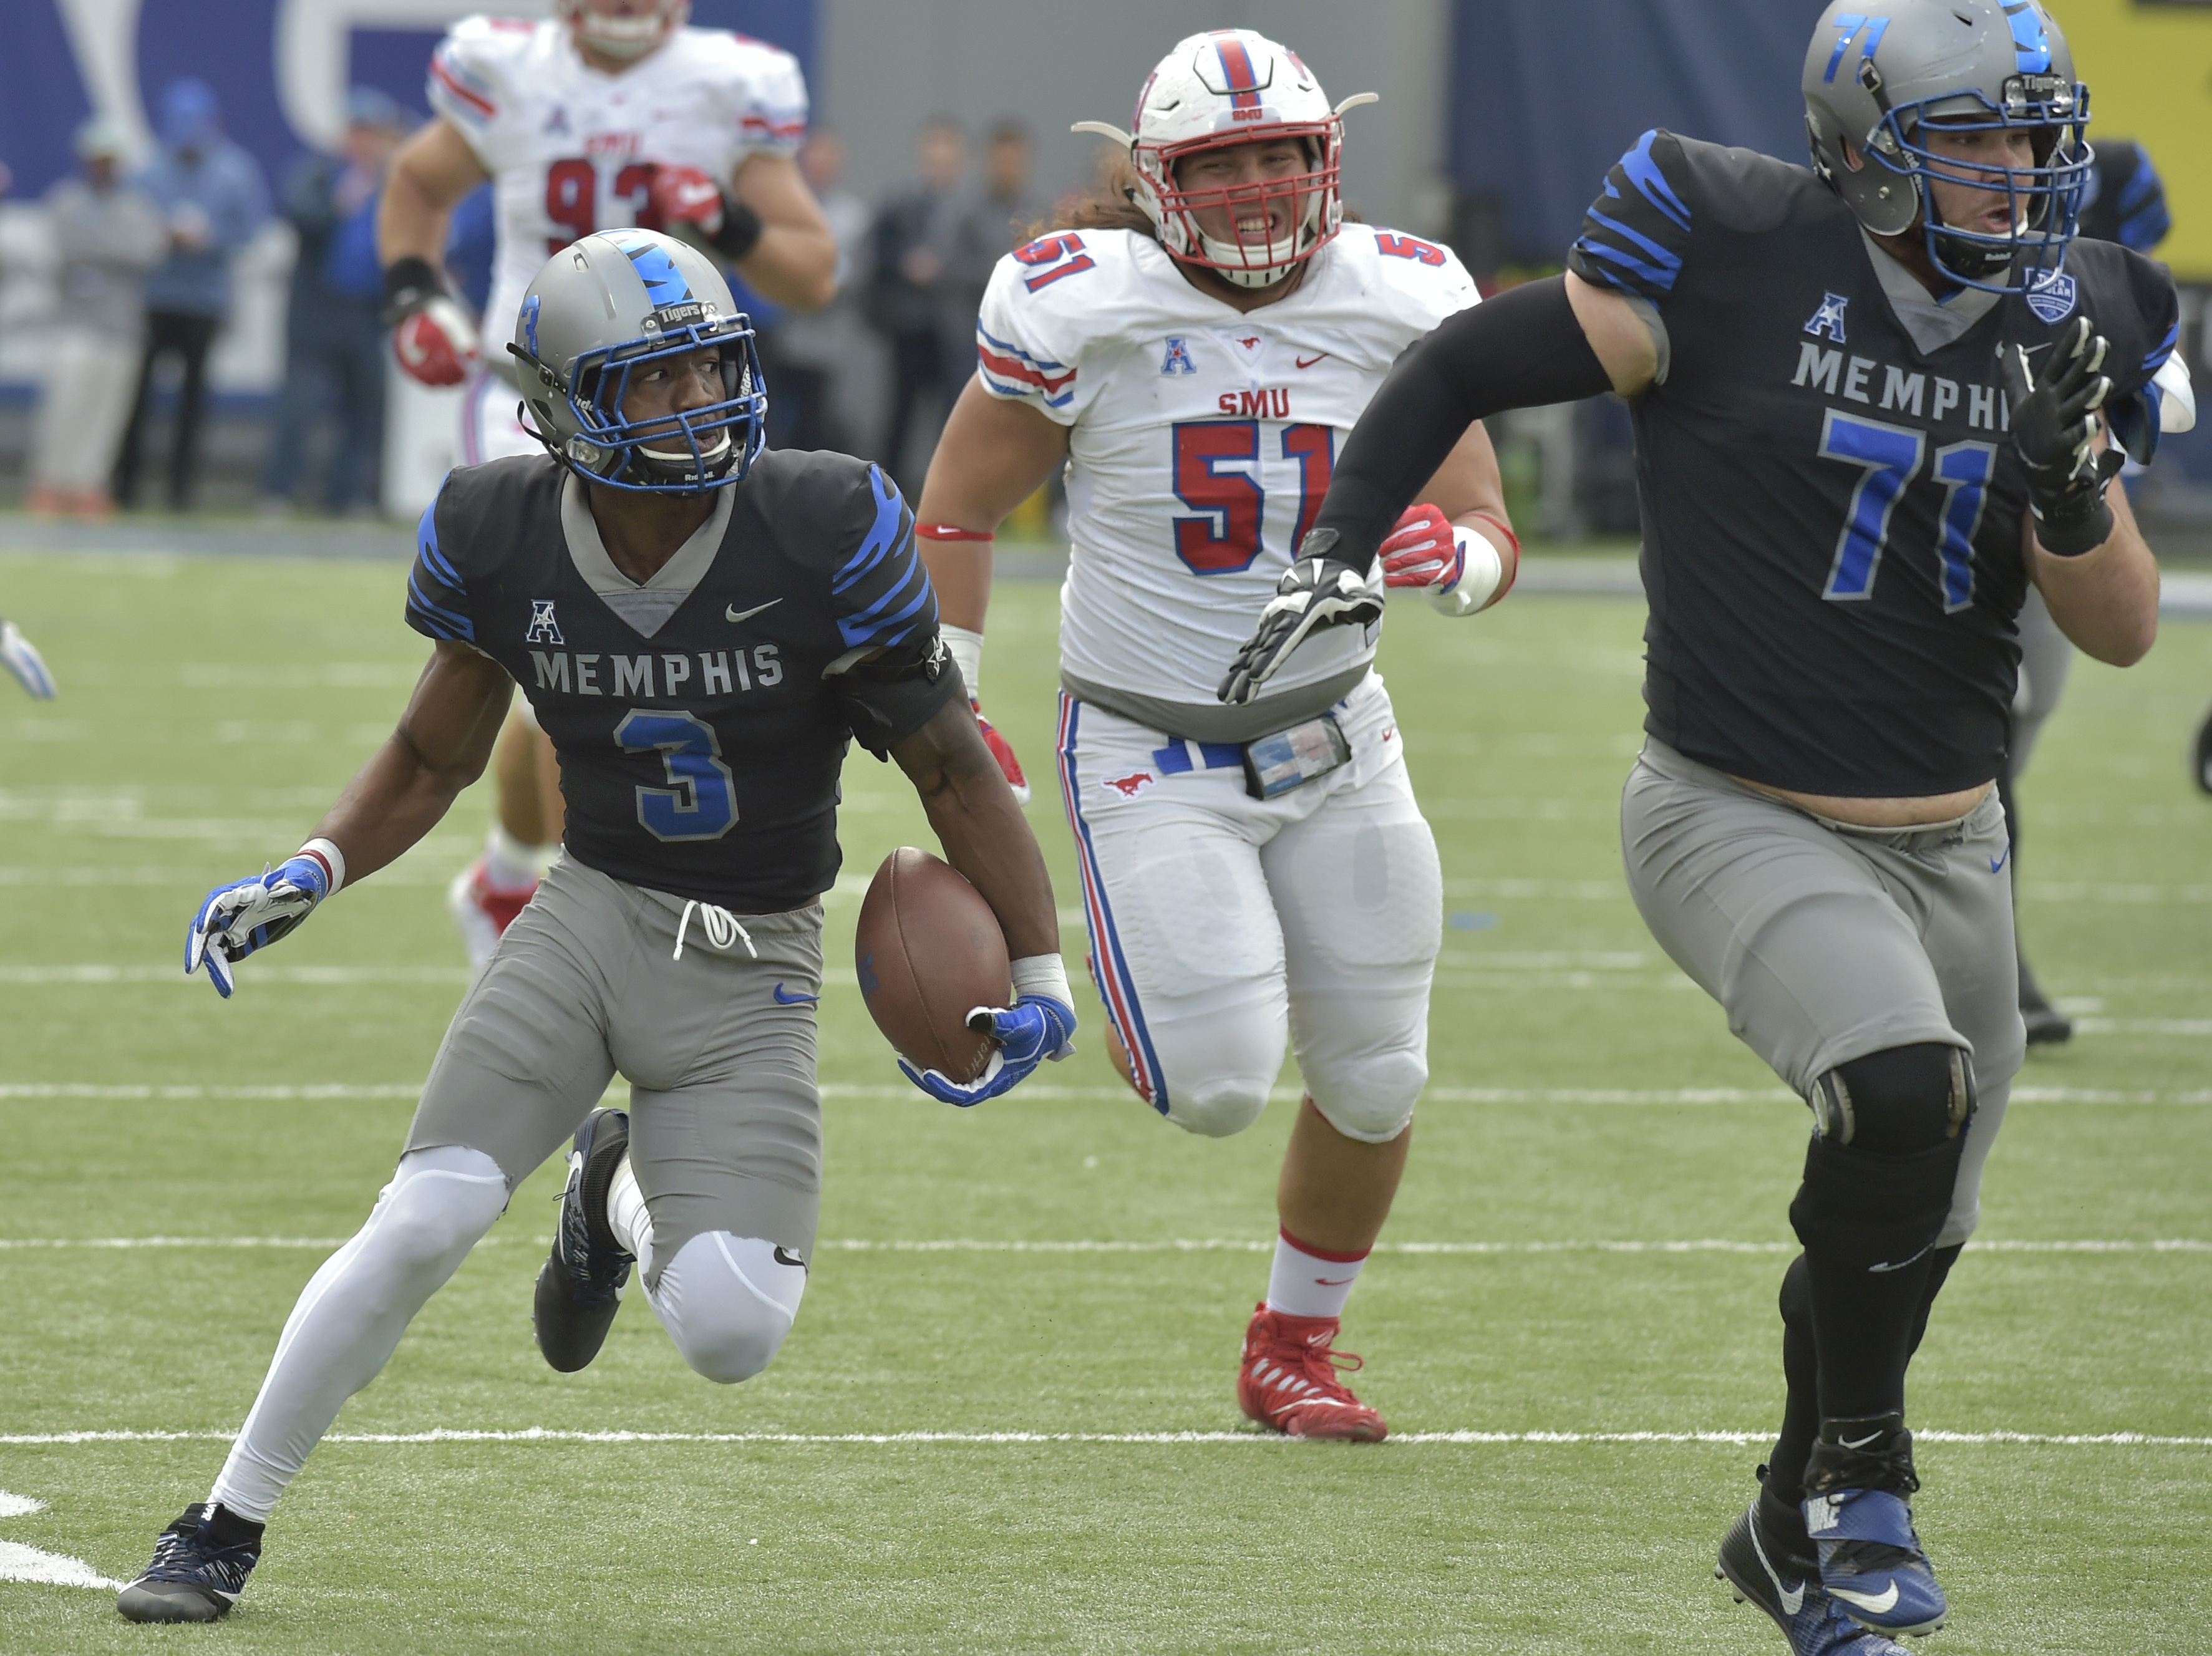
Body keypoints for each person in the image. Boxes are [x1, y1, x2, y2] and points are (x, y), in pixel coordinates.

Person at [1220, 2, 2179, 1648]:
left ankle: (1786, 1508)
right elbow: (1460, 359)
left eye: (2032, 136)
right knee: (1893, 1088)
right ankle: (1866, 1483)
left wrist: (2070, 487)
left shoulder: (2070, 308)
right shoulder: (1726, 247)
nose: (2015, 174)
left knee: (1915, 1218)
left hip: (1958, 844)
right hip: (1734, 807)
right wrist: (1342, 535)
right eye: (1972, 137)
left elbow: (2121, 626)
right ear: (1864, 144)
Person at [115, 230, 1075, 1624]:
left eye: (712, 367)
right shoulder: (498, 529)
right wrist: (317, 866)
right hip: (588, 920)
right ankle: (221, 1518)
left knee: (734, 1333)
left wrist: (1039, 970)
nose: (702, 403)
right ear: (566, 403)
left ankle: (608, 1194)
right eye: (657, 380)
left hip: (757, 961)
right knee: (422, 1219)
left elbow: (948, 768)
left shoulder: (816, 521)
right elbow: (435, 756)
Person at [916, 30, 1513, 1443]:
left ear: (1327, 162)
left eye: (1278, 156)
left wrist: (1463, 563)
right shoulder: (1078, 302)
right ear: (1153, 180)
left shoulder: (1405, 294)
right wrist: (953, 703)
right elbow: (953, 504)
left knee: (1377, 1076)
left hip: (1338, 733)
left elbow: (1488, 525)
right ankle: (1073, 963)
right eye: (1218, 163)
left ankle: (1291, 1346)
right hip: (1148, 742)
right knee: (1219, 1088)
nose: (1253, 188)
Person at [377, 0, 840, 968]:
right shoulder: (508, 67)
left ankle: (514, 873)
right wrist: (415, 294)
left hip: (679, 407)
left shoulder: (726, 83)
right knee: (534, 649)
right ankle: (551, 894)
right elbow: (417, 185)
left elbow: (811, 273)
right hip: (532, 397)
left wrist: (726, 219)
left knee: (646, 653)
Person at [2005, 137, 2187, 1041]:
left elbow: (2135, 318)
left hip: (2070, 480)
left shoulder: (2112, 174)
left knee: (2022, 718)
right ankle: (1991, 960)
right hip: (1947, 486)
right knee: (1979, 736)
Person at [111, 80, 270, 513]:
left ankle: (181, 491)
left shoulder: (236, 171)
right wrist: (160, 235)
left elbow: (251, 232)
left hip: (204, 300)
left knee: (194, 400)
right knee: (136, 396)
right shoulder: (148, 171)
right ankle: (125, 486)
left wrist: (210, 238)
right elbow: (128, 224)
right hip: (155, 297)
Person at [260, 89, 412, 516]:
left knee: (365, 407)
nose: (367, 143)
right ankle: (280, 491)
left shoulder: (397, 184)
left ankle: (349, 495)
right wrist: (343, 201)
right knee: (300, 404)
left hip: (366, 314)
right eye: (359, 132)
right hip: (317, 312)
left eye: (375, 134)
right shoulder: (319, 176)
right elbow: (300, 218)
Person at [28, 119, 165, 519]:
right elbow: (64, 249)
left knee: (108, 413)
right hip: (75, 324)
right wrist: (111, 250)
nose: (105, 166)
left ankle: (88, 484)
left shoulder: (136, 206)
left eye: (111, 159)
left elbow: (147, 252)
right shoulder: (67, 201)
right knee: (66, 406)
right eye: (98, 159)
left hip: (121, 325)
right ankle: (51, 481)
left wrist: (98, 249)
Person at [866, 116, 966, 492]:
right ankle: (884, 492)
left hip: (951, 330)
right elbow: (878, 250)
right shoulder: (901, 204)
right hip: (909, 327)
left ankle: (949, 492)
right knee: (900, 414)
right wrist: (907, 262)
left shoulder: (967, 208)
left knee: (952, 417)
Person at [765, 128, 871, 453]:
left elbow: (855, 274)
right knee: (772, 411)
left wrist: (814, 284)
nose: (821, 165)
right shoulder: (782, 210)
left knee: (816, 416)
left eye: (829, 158)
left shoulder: (853, 217)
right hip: (783, 332)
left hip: (828, 339)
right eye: (815, 157)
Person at [1, 620, 57, 699]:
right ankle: (45, 694)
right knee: (26, 668)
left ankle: (45, 694)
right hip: (5, 638)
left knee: (28, 668)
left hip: (5, 638)